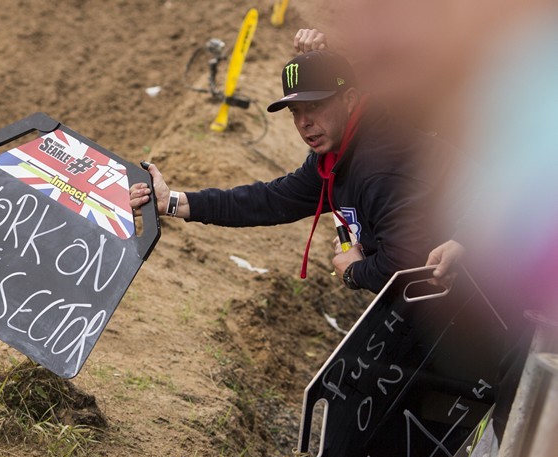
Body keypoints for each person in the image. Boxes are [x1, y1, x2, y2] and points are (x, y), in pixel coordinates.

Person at [130, 50, 453, 294]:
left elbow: (407, 268)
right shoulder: (339, 154)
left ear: (350, 99)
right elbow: (272, 200)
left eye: (315, 106)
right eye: (295, 111)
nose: (304, 122)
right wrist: (172, 202)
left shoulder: (380, 167)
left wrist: (356, 271)